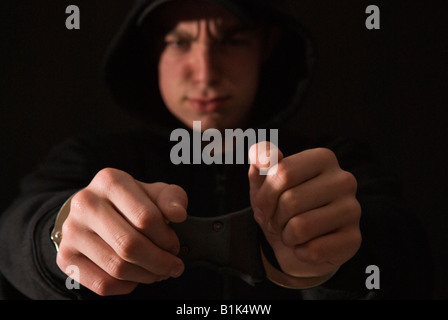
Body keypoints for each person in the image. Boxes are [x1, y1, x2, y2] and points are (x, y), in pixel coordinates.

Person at [0, 0, 432, 300]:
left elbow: (410, 262)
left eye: (232, 40)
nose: (206, 72)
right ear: (153, 51)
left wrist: (336, 255)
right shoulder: (91, 158)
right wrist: (61, 233)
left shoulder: (337, 161)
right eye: (179, 41)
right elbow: (14, 235)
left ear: (269, 45)